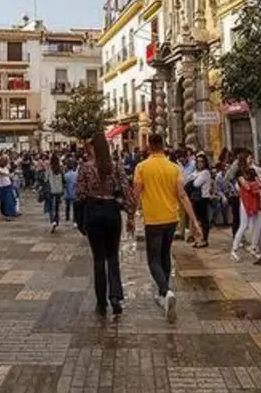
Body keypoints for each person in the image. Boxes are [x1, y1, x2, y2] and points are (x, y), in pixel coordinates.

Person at [133, 133, 201, 323]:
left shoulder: (142, 167)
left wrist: (131, 216)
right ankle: (165, 292)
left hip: (153, 219)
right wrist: (194, 220)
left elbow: (136, 194)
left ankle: (166, 290)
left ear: (148, 147)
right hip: (171, 218)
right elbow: (182, 195)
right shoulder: (174, 168)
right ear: (163, 146)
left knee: (153, 259)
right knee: (165, 254)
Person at [80, 131, 137, 315]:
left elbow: (79, 194)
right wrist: (130, 216)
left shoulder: (86, 168)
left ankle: (101, 301)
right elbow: (127, 191)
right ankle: (115, 296)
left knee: (98, 258)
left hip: (93, 211)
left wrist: (80, 219)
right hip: (112, 211)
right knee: (113, 256)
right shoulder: (116, 166)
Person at [231, 163, 261, 262]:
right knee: (244, 225)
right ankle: (234, 249)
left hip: (255, 203)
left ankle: (253, 247)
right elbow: (248, 187)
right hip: (246, 203)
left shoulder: (253, 171)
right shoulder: (240, 175)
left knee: (258, 225)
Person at [186, 152, 213, 248]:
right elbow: (187, 178)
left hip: (203, 198)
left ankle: (204, 239)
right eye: (198, 162)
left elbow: (196, 184)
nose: (200, 163)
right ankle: (198, 239)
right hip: (195, 198)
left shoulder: (205, 172)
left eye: (202, 161)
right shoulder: (197, 172)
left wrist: (191, 180)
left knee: (203, 220)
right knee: (197, 220)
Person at [45, 154, 65, 231]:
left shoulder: (49, 169)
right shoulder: (60, 169)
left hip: (51, 189)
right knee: (57, 207)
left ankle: (53, 220)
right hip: (59, 190)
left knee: (50, 206)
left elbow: (46, 179)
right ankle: (56, 220)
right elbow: (63, 179)